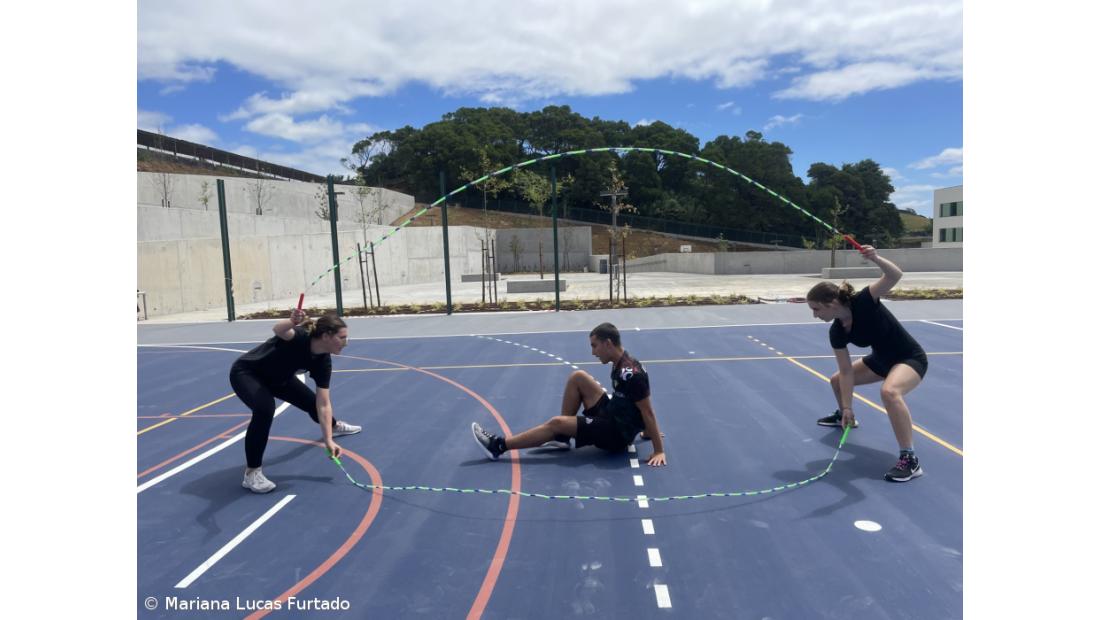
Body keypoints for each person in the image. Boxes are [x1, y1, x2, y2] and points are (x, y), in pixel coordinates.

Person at [806, 246, 928, 482]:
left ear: (831, 303)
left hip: (908, 358)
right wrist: (849, 407)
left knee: (890, 392)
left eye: (816, 309)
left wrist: (875, 258)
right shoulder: (837, 331)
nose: (815, 315)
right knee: (837, 381)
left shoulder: (864, 300)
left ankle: (909, 460)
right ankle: (843, 416)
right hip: (880, 360)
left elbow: (894, 276)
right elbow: (845, 371)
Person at [471, 322, 667, 466]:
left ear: (608, 344)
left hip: (615, 434)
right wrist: (647, 432)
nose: (593, 352)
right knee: (578, 377)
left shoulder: (632, 374)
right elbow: (636, 403)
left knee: (556, 423)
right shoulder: (620, 362)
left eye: (594, 346)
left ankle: (498, 446)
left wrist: (658, 450)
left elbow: (647, 410)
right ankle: (562, 438)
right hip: (613, 413)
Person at [229, 309, 362, 493]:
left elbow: (323, 404)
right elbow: (279, 330)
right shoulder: (300, 337)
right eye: (342, 337)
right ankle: (252, 473)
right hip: (248, 373)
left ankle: (334, 426)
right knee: (265, 409)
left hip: (279, 379)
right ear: (326, 336)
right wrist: (292, 321)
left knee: (311, 402)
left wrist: (328, 439)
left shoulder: (323, 362)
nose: (346, 343)